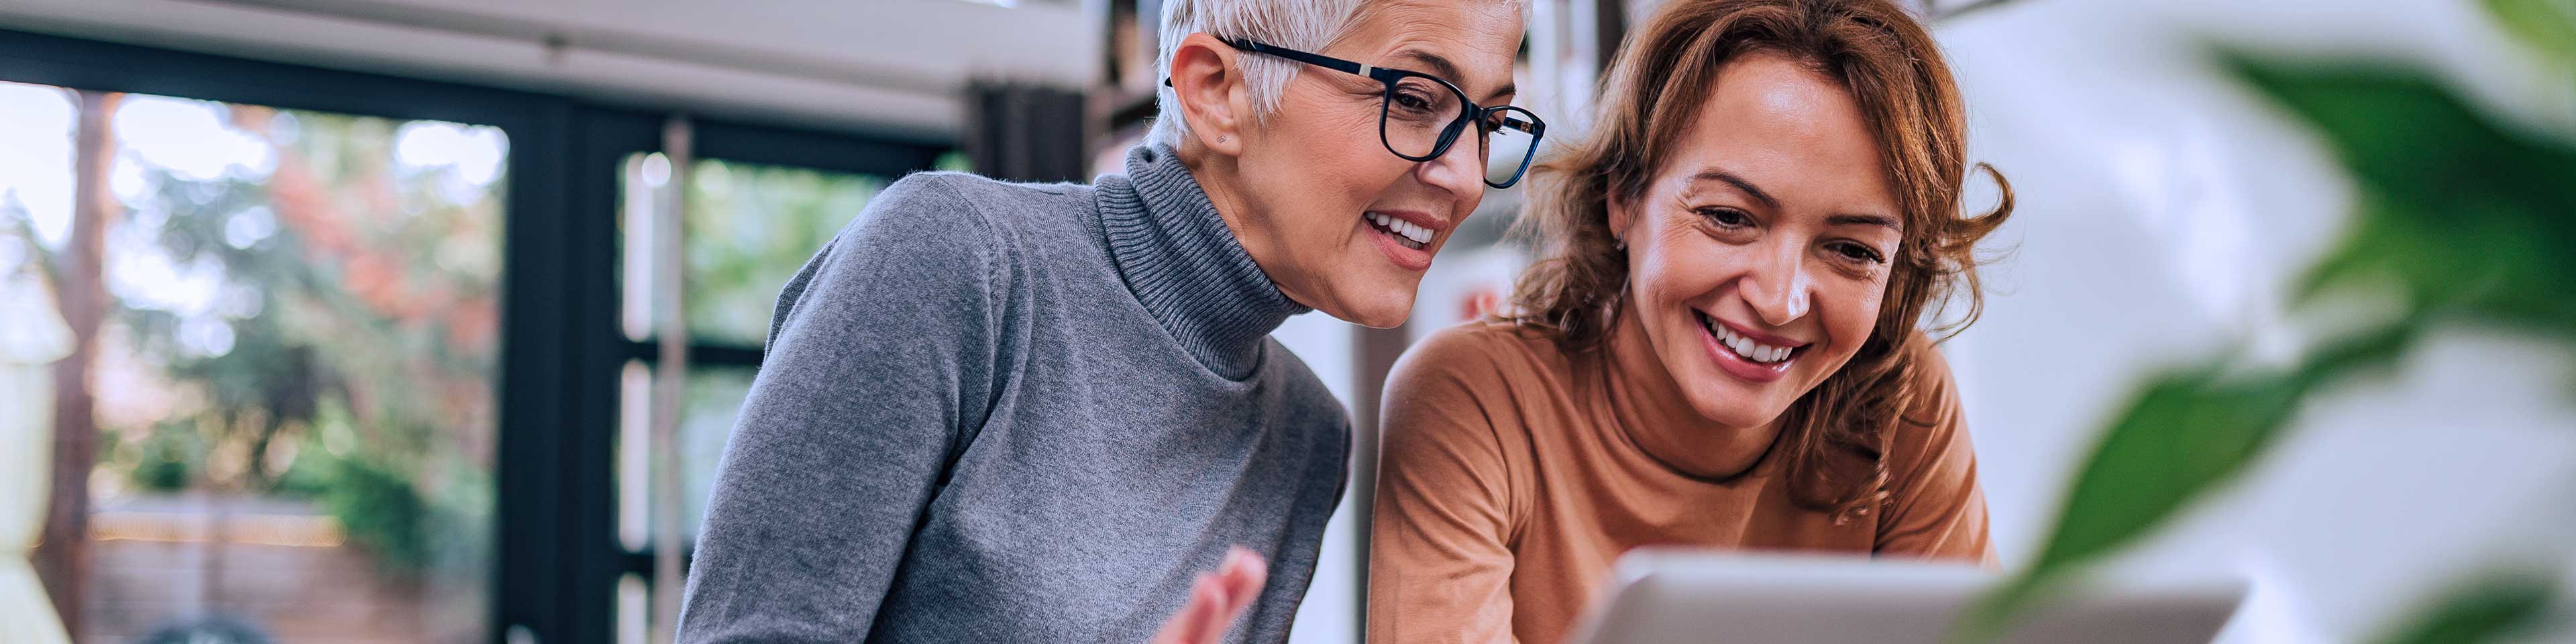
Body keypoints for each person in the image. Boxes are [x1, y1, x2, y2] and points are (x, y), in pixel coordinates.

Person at [674, 0, 1546, 641]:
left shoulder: (1308, 436)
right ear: (1215, 93)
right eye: (1417, 100)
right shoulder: (953, 259)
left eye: (1490, 121)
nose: (1467, 175)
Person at [1364, 1, 2014, 642]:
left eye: (1852, 251)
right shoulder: (1476, 398)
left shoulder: (1898, 400)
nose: (1780, 300)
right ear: (1623, 198)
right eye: (1729, 217)